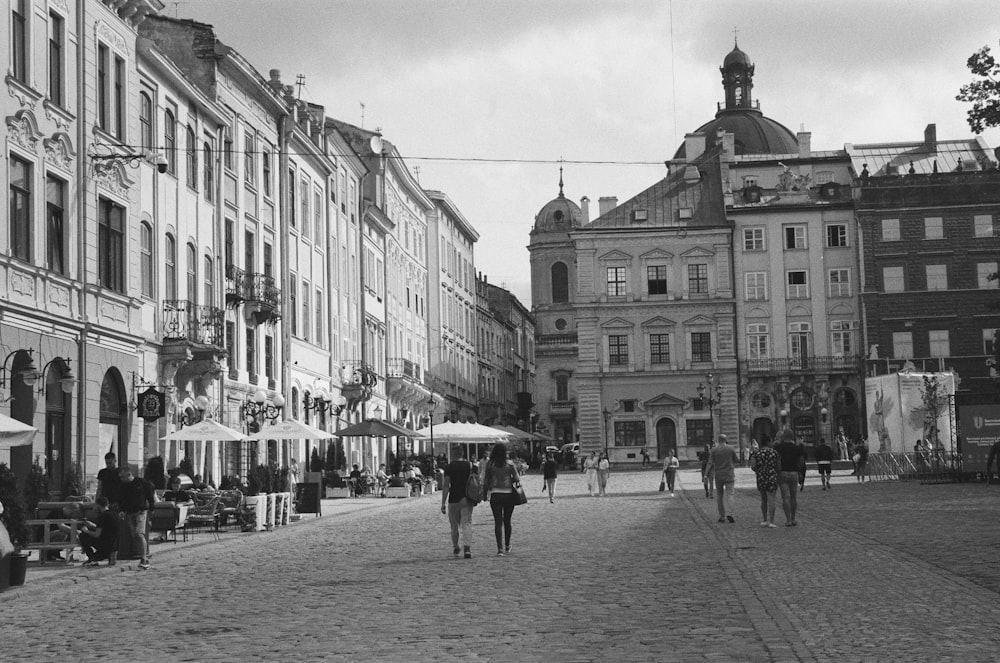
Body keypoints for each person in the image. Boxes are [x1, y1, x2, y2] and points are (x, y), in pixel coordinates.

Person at [481, 442, 520, 556]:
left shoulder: (490, 464)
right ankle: (507, 545)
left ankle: (500, 549)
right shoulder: (510, 464)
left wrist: (484, 494)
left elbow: (486, 480)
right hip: (508, 494)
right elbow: (517, 478)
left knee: (498, 522)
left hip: (495, 494)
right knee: (507, 521)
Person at [117, 466, 155, 569]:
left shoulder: (141, 483)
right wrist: (121, 510)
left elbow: (150, 496)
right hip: (129, 513)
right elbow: (121, 500)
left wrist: (151, 509)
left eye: (122, 477)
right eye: (120, 477)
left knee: (139, 534)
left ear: (129, 475)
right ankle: (144, 554)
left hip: (141, 511)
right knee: (135, 535)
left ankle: (144, 559)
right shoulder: (122, 486)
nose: (121, 479)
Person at [441, 447, 476, 559]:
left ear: (453, 454)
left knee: (454, 526)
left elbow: (446, 485)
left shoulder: (449, 467)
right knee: (467, 523)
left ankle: (456, 546)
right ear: (462, 454)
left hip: (453, 499)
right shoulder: (470, 465)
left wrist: (443, 502)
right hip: (466, 498)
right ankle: (467, 548)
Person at [774, 431, 804, 526]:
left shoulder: (778, 448)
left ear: (783, 437)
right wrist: (800, 472)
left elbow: (775, 461)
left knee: (785, 497)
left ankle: (788, 520)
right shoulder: (796, 448)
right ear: (792, 437)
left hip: (782, 473)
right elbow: (801, 462)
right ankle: (793, 518)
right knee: (793, 497)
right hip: (794, 473)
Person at [78, 496, 119, 565]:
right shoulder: (114, 514)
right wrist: (92, 526)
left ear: (98, 505)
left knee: (83, 535)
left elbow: (97, 535)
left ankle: (92, 558)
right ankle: (110, 556)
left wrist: (86, 531)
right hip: (115, 546)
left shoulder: (103, 516)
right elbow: (106, 529)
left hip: (105, 547)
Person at [706, 434, 738, 523]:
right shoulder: (731, 448)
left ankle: (722, 516)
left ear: (718, 440)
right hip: (729, 474)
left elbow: (710, 463)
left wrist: (705, 475)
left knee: (720, 496)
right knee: (730, 494)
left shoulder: (714, 450)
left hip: (719, 475)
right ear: (726, 439)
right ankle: (731, 513)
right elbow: (736, 460)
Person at [752, 436, 780, 528]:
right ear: (768, 442)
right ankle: (771, 521)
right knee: (771, 499)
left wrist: (759, 470)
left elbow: (753, 466)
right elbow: (779, 467)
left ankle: (764, 519)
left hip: (761, 477)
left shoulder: (757, 453)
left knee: (763, 499)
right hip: (772, 476)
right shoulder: (774, 453)